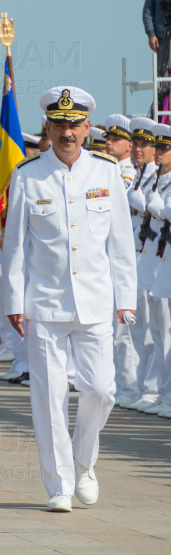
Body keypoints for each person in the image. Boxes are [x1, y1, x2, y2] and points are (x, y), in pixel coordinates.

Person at [3, 86, 137, 513]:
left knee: (101, 389)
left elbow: (121, 241)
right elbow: (15, 246)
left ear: (87, 128)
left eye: (74, 125)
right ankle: (59, 484)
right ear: (48, 126)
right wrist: (13, 300)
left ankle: (84, 460)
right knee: (49, 395)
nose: (67, 132)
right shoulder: (27, 175)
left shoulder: (106, 172)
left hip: (96, 301)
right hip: (44, 302)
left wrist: (126, 298)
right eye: (59, 124)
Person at [102, 115, 139, 406]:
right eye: (108, 139)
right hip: (108, 258)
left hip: (132, 256)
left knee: (127, 330)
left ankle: (129, 384)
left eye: (115, 139)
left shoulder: (123, 172)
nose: (109, 143)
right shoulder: (110, 169)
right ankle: (122, 383)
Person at [126, 119, 161, 412]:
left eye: (145, 144)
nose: (138, 149)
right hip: (137, 255)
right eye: (135, 143)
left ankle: (151, 389)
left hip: (151, 256)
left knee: (153, 328)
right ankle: (144, 387)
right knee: (139, 328)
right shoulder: (140, 176)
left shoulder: (156, 178)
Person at [139, 124, 171, 416]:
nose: (158, 153)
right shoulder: (156, 180)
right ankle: (163, 392)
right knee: (158, 329)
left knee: (166, 329)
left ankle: (166, 393)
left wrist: (158, 206)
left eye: (163, 148)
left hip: (164, 258)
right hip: (155, 257)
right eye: (157, 148)